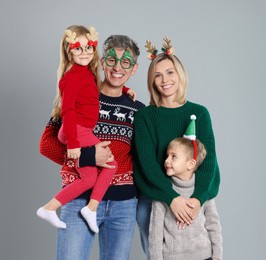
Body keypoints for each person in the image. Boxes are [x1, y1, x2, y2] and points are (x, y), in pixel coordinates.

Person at [39, 33, 145, 260]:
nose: (118, 68)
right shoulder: (79, 94)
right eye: (111, 60)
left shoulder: (138, 110)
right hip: (79, 199)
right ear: (102, 61)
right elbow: (47, 145)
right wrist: (88, 157)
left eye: (125, 62)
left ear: (133, 69)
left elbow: (141, 157)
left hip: (123, 205)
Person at [133, 37, 221, 259]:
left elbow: (208, 162)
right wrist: (171, 198)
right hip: (155, 200)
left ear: (180, 74)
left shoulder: (200, 113)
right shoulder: (145, 116)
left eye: (170, 72)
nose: (165, 80)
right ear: (152, 81)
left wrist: (197, 199)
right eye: (158, 75)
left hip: (193, 198)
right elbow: (147, 164)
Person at [37, 25, 119, 234]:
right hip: (76, 129)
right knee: (112, 164)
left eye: (88, 48)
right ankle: (90, 208)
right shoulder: (73, 76)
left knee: (90, 178)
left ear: (94, 49)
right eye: (78, 48)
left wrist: (125, 89)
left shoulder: (86, 73)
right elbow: (68, 109)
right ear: (69, 51)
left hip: (81, 129)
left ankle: (50, 208)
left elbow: (93, 92)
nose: (85, 53)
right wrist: (73, 143)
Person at [149, 116, 223, 260]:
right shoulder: (163, 193)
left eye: (173, 156)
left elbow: (214, 226)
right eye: (167, 156)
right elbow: (155, 233)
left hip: (204, 256)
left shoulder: (202, 191)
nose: (166, 160)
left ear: (190, 164)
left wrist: (217, 257)